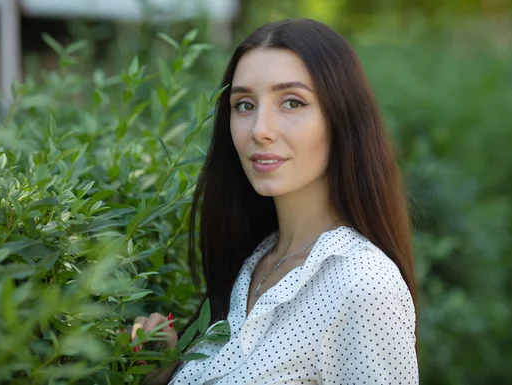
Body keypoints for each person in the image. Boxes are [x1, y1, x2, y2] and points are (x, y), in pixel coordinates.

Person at [129, 18, 418, 384]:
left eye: (292, 102)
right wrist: (162, 370)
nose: (260, 129)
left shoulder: (365, 284)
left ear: (342, 118)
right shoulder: (252, 264)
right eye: (244, 105)